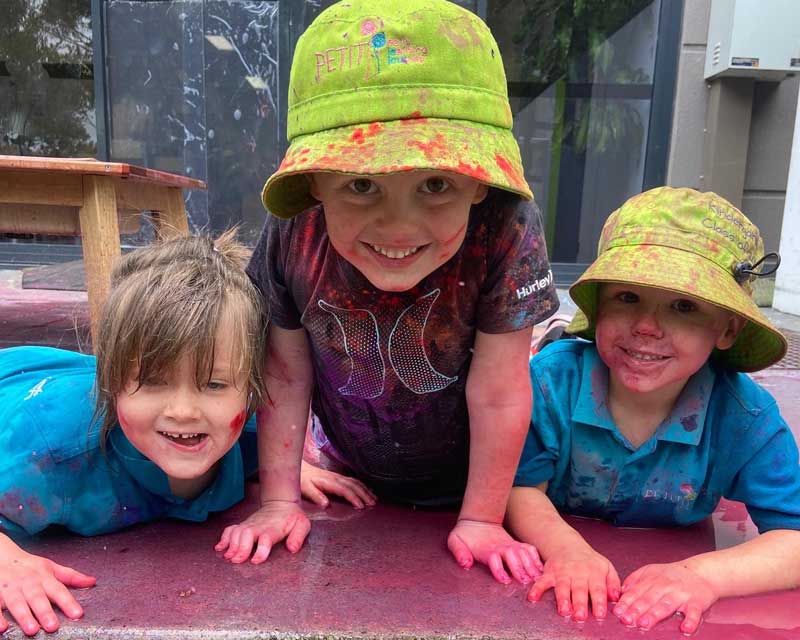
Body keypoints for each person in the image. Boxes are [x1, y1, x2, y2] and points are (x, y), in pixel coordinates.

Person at [215, 0, 559, 584]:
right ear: (316, 183)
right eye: (362, 184)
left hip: (476, 478)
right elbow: (285, 373)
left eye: (434, 183)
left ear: (478, 185)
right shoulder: (294, 230)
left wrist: (481, 517)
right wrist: (278, 500)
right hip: (354, 470)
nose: (398, 226)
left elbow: (500, 389)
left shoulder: (507, 225)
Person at [0, 231, 373, 637]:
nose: (183, 411)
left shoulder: (247, 433)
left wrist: (278, 465)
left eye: (213, 385)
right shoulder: (48, 455)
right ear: (111, 384)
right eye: (153, 382)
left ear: (252, 392)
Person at [507, 187, 800, 633]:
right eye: (627, 297)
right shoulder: (551, 382)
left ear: (727, 329)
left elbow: (794, 540)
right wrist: (567, 550)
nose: (646, 327)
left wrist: (702, 575)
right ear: (599, 303)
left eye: (684, 306)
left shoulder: (745, 417)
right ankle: (557, 331)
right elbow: (517, 487)